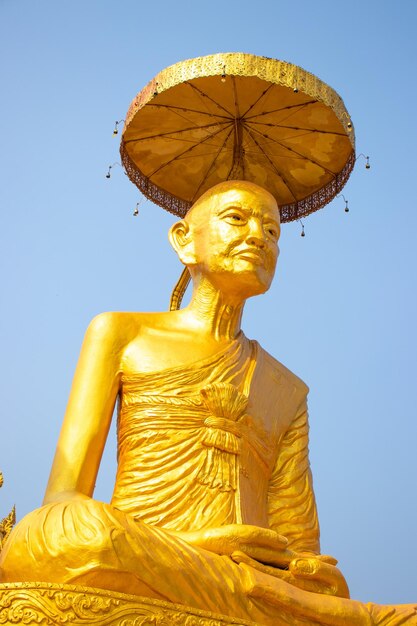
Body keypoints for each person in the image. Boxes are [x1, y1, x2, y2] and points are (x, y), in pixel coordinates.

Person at [0, 181, 415, 626]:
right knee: (47, 534)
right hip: (133, 548)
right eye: (237, 218)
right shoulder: (120, 333)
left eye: (273, 231)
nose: (258, 235)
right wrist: (204, 542)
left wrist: (305, 572)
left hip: (242, 572)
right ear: (184, 240)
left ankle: (312, 610)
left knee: (314, 588)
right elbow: (63, 495)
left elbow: (298, 551)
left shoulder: (286, 389)